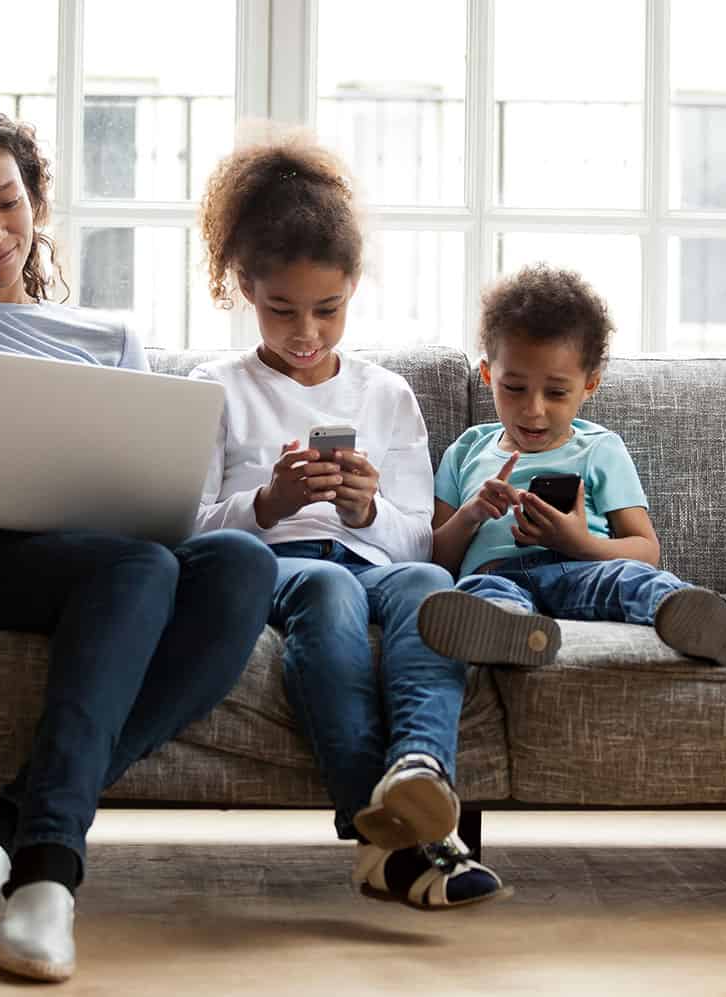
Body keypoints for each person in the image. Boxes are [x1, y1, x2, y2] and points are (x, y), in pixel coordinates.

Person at [0, 103, 277, 983]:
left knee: (239, 563)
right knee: (136, 565)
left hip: (78, 555)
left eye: (5, 202)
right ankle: (47, 874)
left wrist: (163, 500)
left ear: (35, 197)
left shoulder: (108, 335)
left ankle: (1, 826)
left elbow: (162, 493)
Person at [190, 134, 510, 910]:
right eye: (281, 310)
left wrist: (368, 508)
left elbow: (416, 540)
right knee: (331, 588)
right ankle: (389, 840)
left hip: (373, 560)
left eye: (327, 310)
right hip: (281, 566)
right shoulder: (216, 388)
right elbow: (187, 527)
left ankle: (419, 771)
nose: (306, 333)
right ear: (242, 286)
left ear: (354, 287)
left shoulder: (387, 394)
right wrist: (270, 504)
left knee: (432, 583)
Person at [418, 263, 726, 670]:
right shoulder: (466, 450)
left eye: (557, 392)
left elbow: (645, 550)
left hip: (581, 568)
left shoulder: (599, 448)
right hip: (496, 575)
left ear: (590, 385)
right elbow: (436, 560)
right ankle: (514, 633)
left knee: (630, 581)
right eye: (513, 388)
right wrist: (471, 514)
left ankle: (699, 620)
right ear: (488, 374)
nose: (533, 410)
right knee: (478, 593)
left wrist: (578, 543)